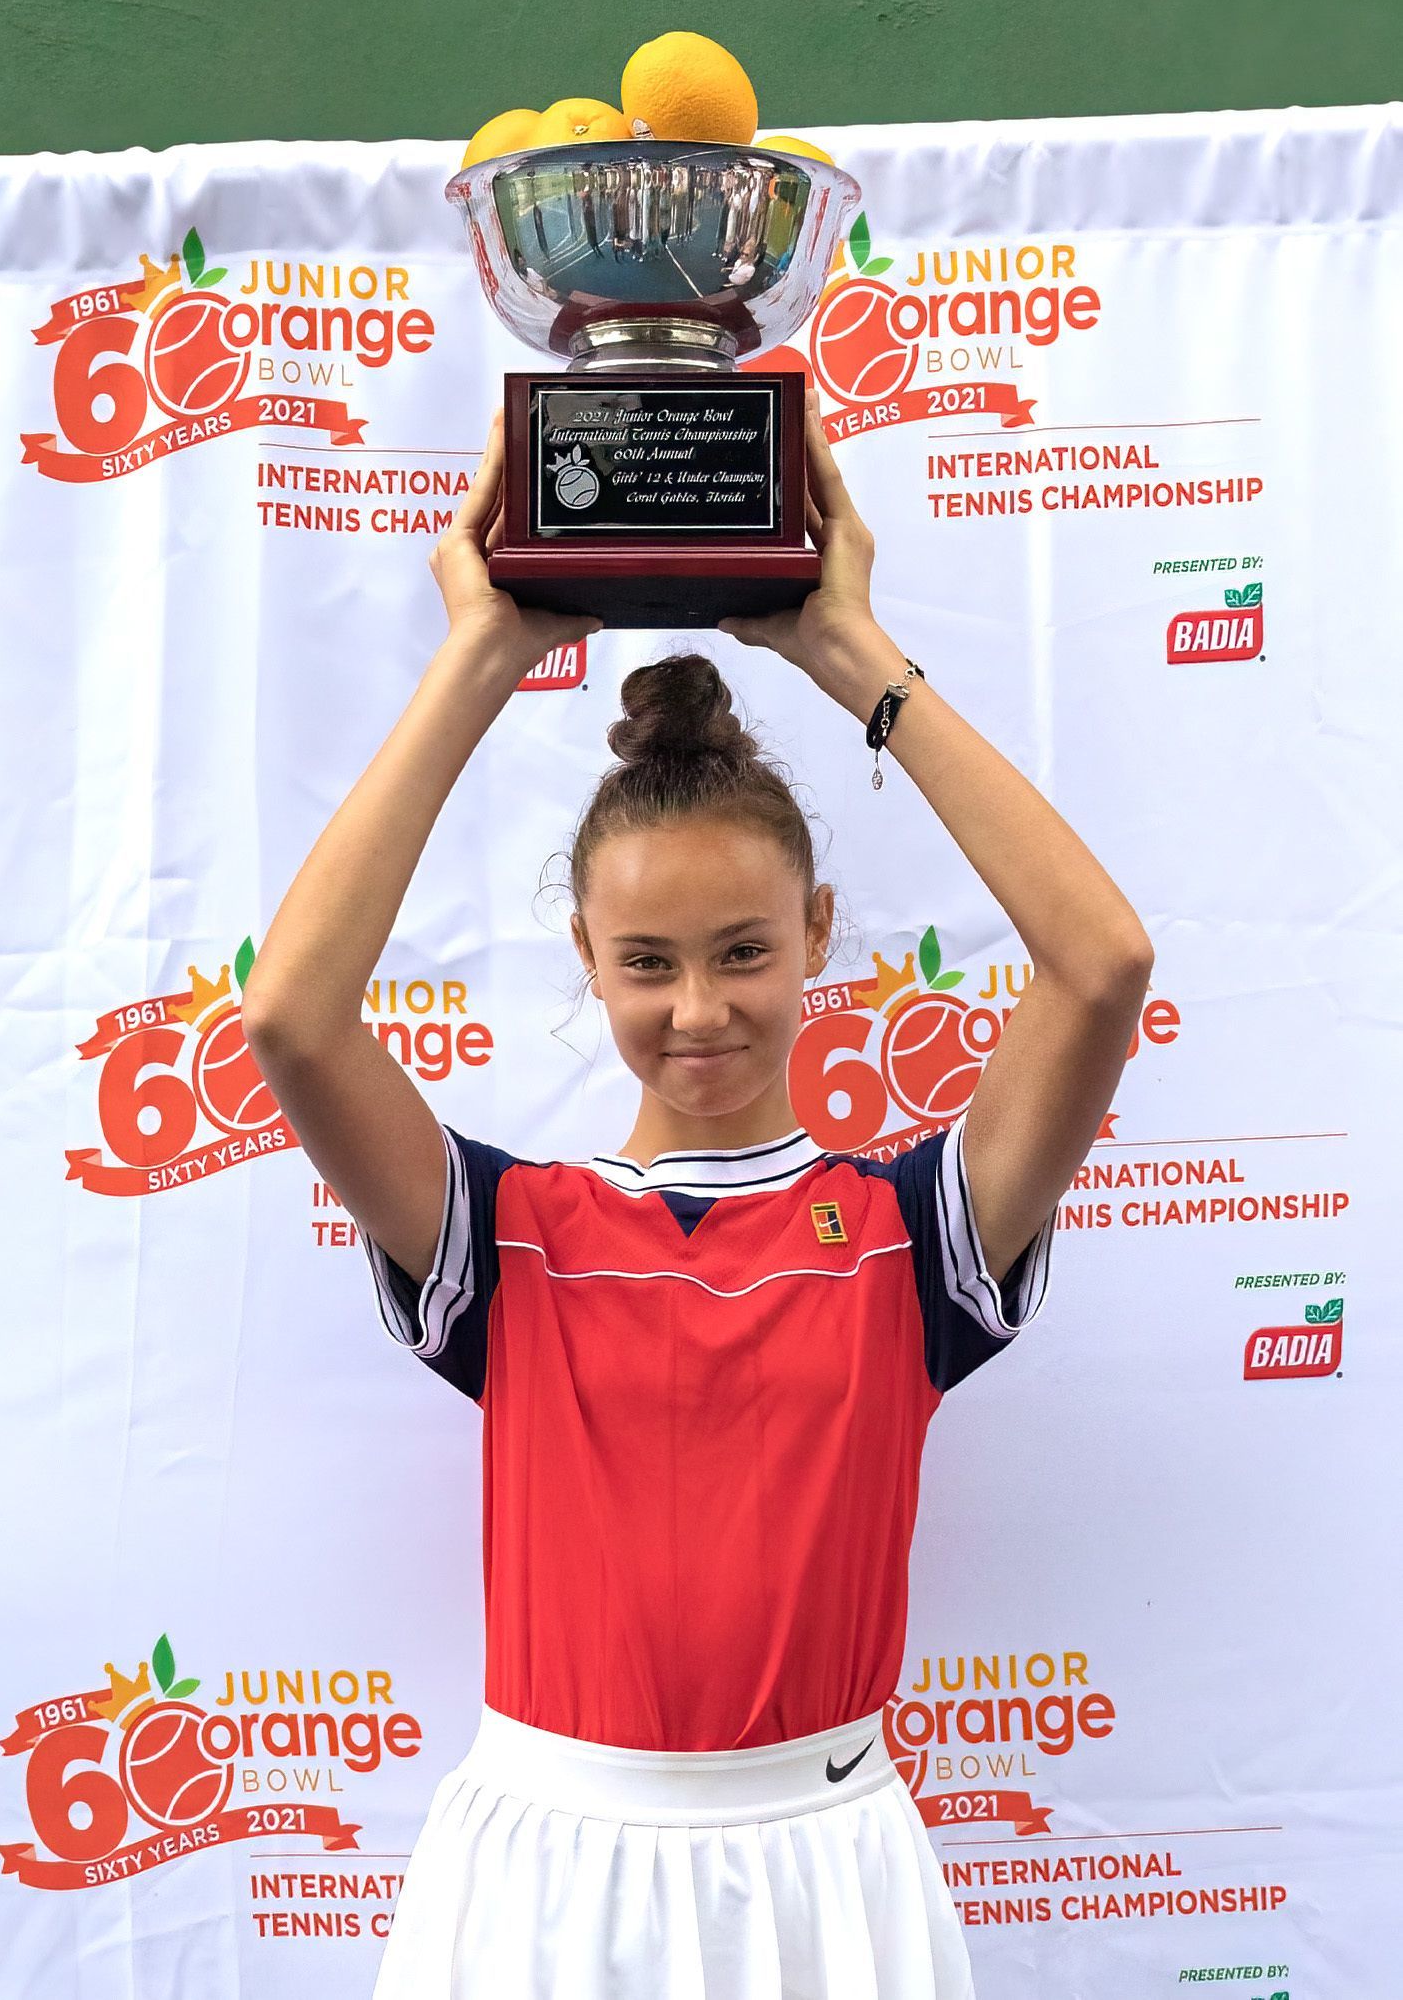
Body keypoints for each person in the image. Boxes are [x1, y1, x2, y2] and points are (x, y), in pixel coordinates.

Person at [241, 392, 1155, 1999]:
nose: (700, 1008)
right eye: (646, 963)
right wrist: (482, 654)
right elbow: (292, 1015)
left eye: (744, 953)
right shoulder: (507, 1240)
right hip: (538, 1872)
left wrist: (849, 654)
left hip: (829, 1876)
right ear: (584, 960)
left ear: (816, 934)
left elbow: (1103, 966)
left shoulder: (912, 1233)